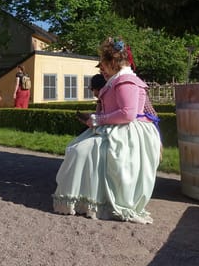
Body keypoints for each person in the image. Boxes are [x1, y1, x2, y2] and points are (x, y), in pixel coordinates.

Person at [52, 37, 161, 224]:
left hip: (127, 131)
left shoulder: (126, 81)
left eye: (103, 63)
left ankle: (101, 202)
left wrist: (98, 120)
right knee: (78, 149)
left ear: (113, 62)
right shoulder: (116, 80)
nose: (101, 68)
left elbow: (128, 114)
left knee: (84, 152)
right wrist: (95, 119)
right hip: (116, 127)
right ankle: (87, 201)